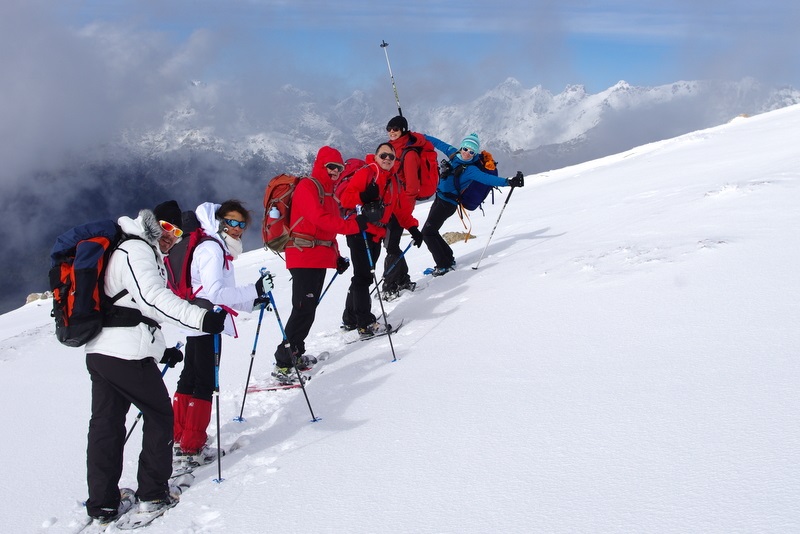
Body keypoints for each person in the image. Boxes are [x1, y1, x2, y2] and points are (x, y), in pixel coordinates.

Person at [84, 205, 227, 524]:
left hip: (102, 351)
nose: (170, 237)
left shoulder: (126, 247)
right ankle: (152, 494)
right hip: (124, 353)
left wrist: (162, 352)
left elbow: (130, 308)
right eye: (166, 228)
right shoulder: (137, 249)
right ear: (150, 223)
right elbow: (152, 299)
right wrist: (202, 317)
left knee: (106, 424)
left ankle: (104, 503)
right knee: (161, 415)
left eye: (177, 233)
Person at [171, 200, 275, 458]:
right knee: (204, 381)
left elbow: (213, 290)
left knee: (190, 377)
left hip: (196, 318)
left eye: (241, 224)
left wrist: (251, 302)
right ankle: (192, 445)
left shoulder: (212, 246)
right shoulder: (212, 249)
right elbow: (216, 293)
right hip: (207, 320)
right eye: (231, 222)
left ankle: (178, 436)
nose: (237, 229)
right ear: (219, 221)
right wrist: (256, 289)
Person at [271, 146, 361, 382]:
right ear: (321, 166)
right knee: (302, 310)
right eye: (331, 167)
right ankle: (283, 363)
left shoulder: (329, 193)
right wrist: (355, 225)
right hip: (303, 257)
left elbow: (327, 231)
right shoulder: (307, 187)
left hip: (317, 256)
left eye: (339, 168)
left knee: (307, 310)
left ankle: (295, 354)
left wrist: (337, 257)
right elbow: (318, 219)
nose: (335, 171)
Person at [337, 142, 423, 337]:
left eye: (391, 157)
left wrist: (413, 227)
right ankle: (365, 324)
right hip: (360, 231)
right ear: (375, 156)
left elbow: (399, 209)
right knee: (364, 277)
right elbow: (346, 200)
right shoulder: (367, 173)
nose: (387, 159)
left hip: (376, 233)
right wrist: (363, 196)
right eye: (383, 155)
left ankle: (351, 317)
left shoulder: (392, 181)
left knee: (363, 275)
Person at [422, 132, 524, 276]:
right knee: (431, 231)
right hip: (439, 198)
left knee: (427, 232)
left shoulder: (470, 170)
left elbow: (487, 179)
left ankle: (443, 265)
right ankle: (448, 260)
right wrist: (417, 136)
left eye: (472, 152)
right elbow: (438, 143)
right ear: (461, 147)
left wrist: (508, 182)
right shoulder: (452, 152)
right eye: (465, 149)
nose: (467, 154)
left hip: (448, 203)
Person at [382, 115, 424, 299]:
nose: (392, 131)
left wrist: (404, 212)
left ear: (404, 130)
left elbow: (412, 188)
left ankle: (391, 284)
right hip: (388, 206)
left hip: (399, 208)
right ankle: (402, 279)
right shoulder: (392, 149)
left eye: (396, 129)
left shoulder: (409, 154)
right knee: (391, 245)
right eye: (389, 128)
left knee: (391, 246)